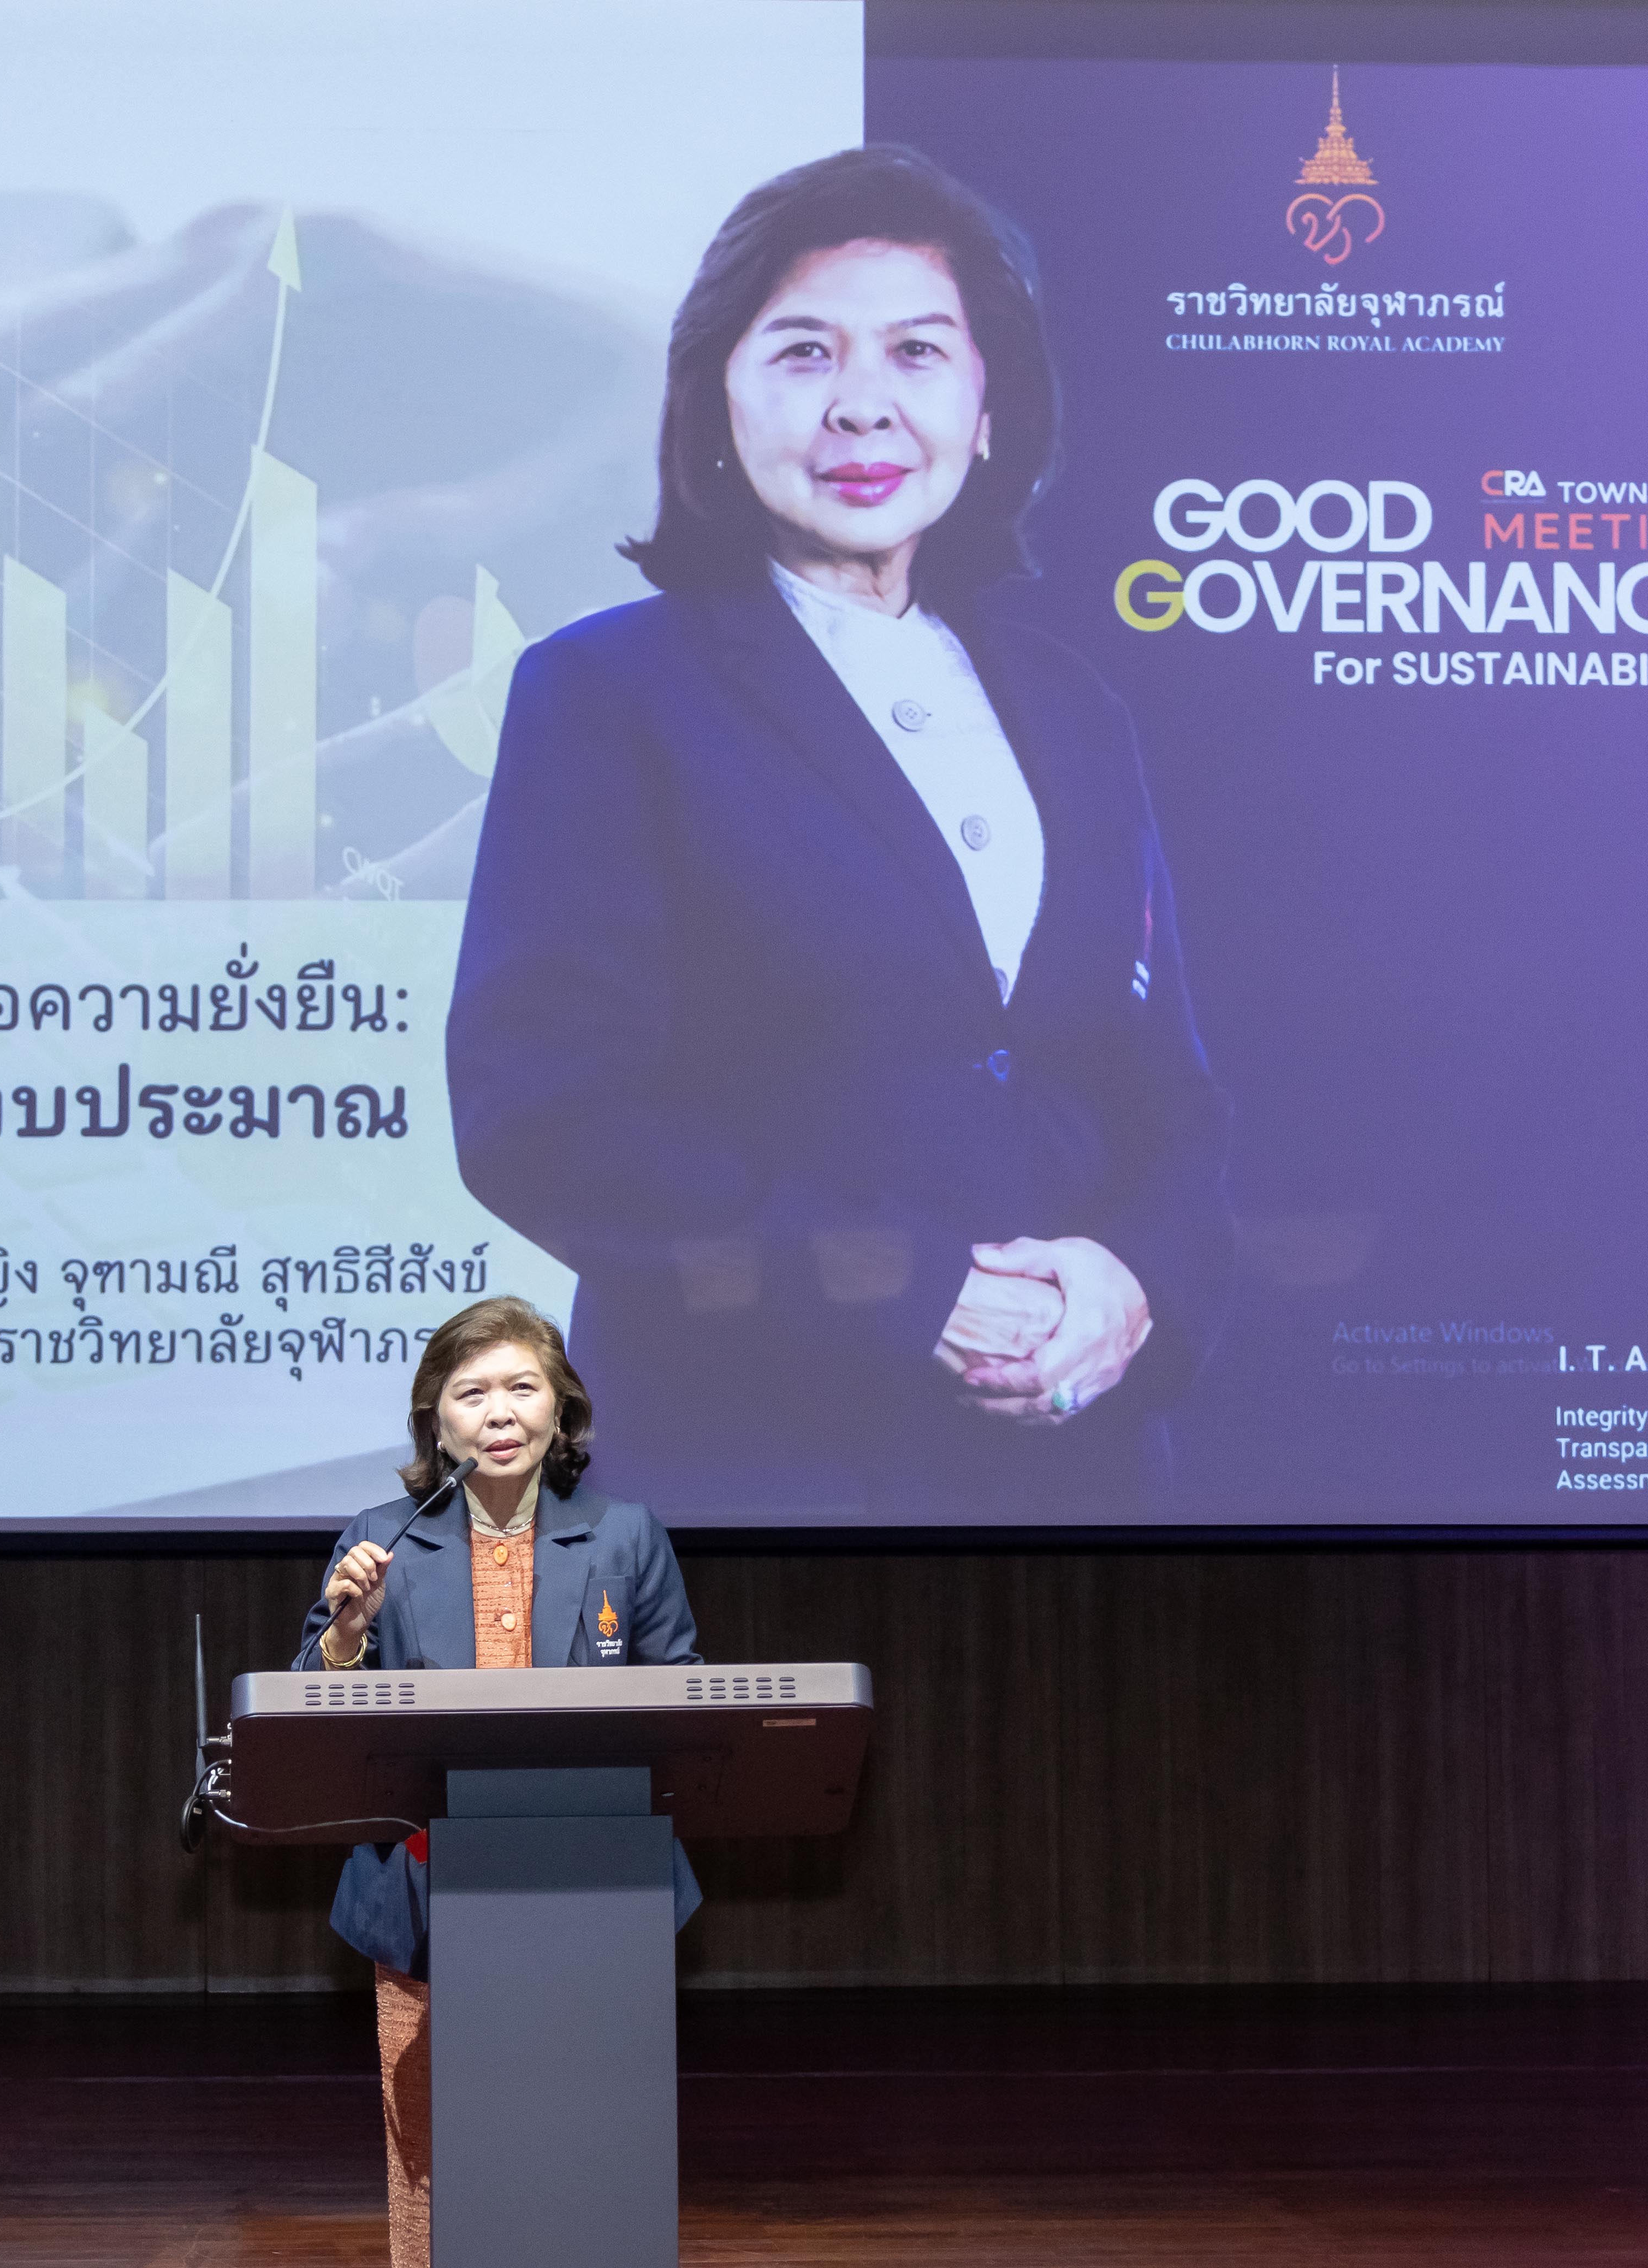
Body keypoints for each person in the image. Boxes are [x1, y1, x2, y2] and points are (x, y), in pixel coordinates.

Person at [447, 145, 1234, 1522]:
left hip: (1078, 1490)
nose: (861, 403)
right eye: (803, 353)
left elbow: (1163, 1098)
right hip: (750, 1481)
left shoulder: (1075, 709)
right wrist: (906, 1292)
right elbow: (545, 1113)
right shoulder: (605, 693)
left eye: (917, 353)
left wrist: (1133, 1289)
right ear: (716, 403)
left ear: (987, 410)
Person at [294, 1294, 705, 2268]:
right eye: (472, 1393)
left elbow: (685, 1703)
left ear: (562, 1411)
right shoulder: (382, 1539)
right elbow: (312, 1712)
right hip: (427, 1887)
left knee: (589, 2135)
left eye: (523, 1387)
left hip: (597, 1879)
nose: (500, 1412)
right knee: (433, 2148)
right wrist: (348, 1632)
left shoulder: (625, 1535)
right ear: (436, 1423)